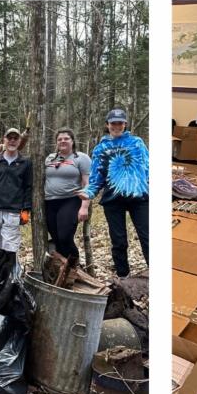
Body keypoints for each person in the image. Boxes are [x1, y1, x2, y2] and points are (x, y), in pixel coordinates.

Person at [79, 108, 149, 277]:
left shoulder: (137, 143)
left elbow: (148, 168)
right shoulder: (100, 149)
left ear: (125, 124)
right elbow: (97, 177)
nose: (116, 126)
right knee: (119, 241)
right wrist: (89, 192)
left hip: (139, 198)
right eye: (113, 123)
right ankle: (123, 276)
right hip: (113, 200)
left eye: (120, 123)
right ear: (107, 125)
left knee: (148, 237)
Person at [0, 127, 32, 259]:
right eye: (10, 138)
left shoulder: (25, 162)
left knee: (10, 246)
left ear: (20, 141)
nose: (12, 141)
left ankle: (8, 275)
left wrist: (26, 209)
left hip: (13, 210)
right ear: (4, 140)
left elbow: (28, 186)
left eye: (16, 138)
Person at [43, 129, 91, 265]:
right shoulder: (50, 158)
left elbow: (88, 183)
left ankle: (74, 266)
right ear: (56, 142)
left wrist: (84, 207)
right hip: (50, 202)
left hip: (71, 200)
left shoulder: (81, 158)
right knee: (56, 238)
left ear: (72, 141)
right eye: (60, 139)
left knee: (65, 236)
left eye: (66, 138)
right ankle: (63, 270)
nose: (63, 141)